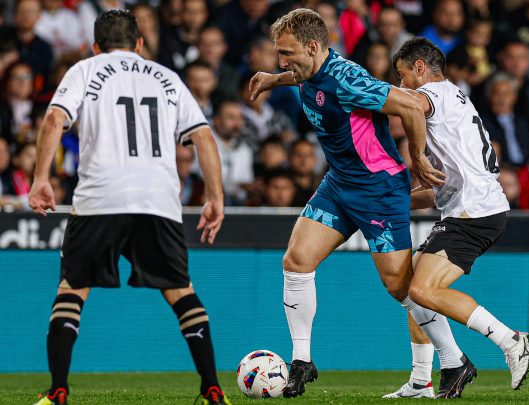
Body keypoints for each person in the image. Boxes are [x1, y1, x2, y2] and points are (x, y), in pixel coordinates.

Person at [248, 8, 471, 399]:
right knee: (297, 261)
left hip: (378, 190)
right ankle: (301, 360)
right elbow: (303, 75)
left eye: (287, 54)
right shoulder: (306, 70)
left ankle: (454, 360)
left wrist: (417, 157)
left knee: (400, 287)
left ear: (313, 46)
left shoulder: (349, 79)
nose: (282, 61)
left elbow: (408, 106)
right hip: (339, 184)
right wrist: (275, 79)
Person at [29, 10, 230, 405]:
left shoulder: (85, 70)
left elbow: (55, 118)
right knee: (180, 292)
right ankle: (212, 387)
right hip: (158, 199)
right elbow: (203, 136)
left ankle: (57, 391)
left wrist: (40, 179)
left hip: (100, 196)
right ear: (139, 44)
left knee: (72, 290)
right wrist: (215, 196)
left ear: (96, 46)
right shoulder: (167, 77)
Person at [390, 37, 529, 394]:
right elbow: (442, 187)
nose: (400, 85)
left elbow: (404, 103)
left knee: (423, 289)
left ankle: (511, 340)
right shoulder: (454, 99)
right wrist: (393, 200)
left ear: (420, 69)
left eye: (402, 75)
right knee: (413, 288)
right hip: (473, 208)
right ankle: (425, 378)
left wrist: (346, 83)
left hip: (474, 214)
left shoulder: (434, 96)